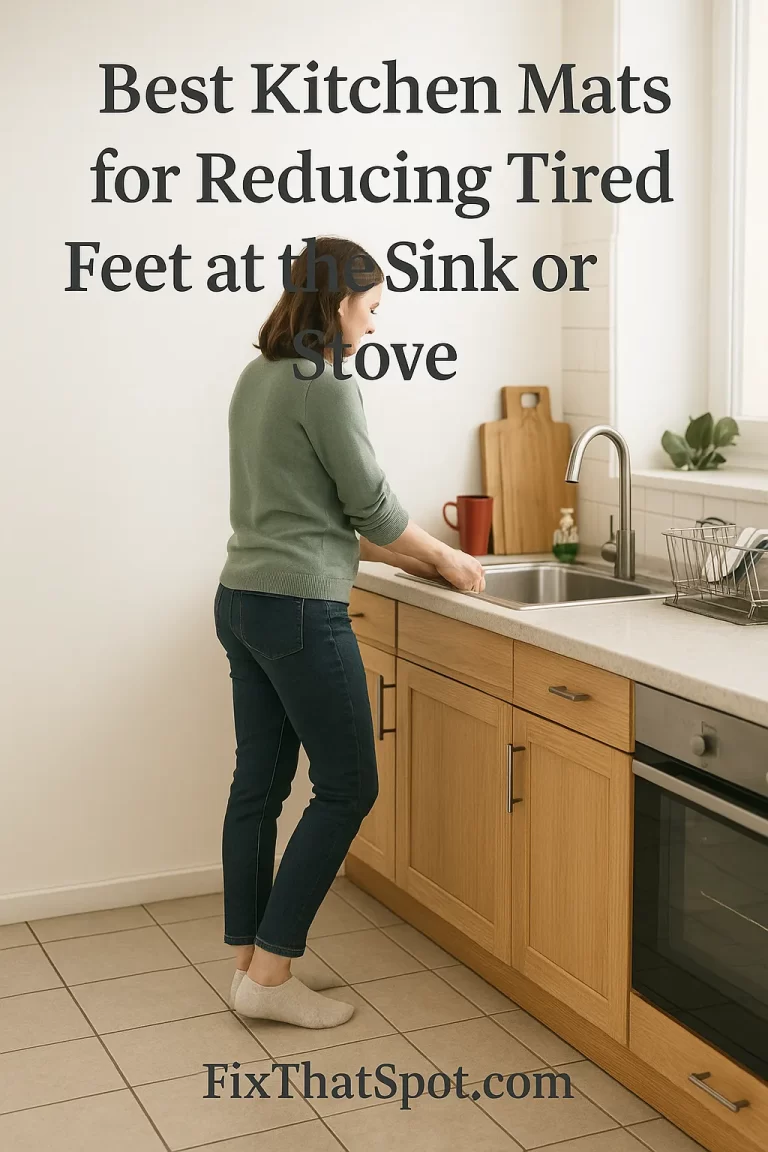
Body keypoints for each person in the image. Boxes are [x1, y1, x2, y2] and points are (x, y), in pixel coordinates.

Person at [213, 235, 485, 1028]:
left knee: (258, 787)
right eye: (372, 307)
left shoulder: (256, 376)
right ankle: (271, 976)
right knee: (348, 787)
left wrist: (421, 561)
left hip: (241, 598)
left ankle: (248, 961)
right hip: (300, 609)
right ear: (337, 305)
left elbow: (307, 513)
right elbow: (370, 506)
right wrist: (446, 556)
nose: (375, 323)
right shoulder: (326, 381)